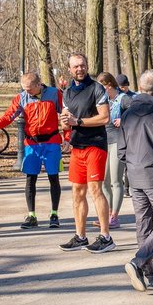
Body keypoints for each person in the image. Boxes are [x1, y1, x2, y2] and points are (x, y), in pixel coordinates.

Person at [119, 70, 153, 292]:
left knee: (144, 224)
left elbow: (121, 150)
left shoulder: (127, 114)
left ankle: (152, 275)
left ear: (140, 88)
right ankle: (138, 261)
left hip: (134, 174)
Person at [0, 73, 63, 230]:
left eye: (29, 89)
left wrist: (68, 136)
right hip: (32, 143)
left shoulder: (54, 94)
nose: (27, 92)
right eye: (24, 89)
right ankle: (31, 216)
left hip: (51, 142)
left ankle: (54, 214)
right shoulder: (22, 98)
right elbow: (9, 116)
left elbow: (66, 114)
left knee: (54, 178)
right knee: (30, 179)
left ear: (39, 84)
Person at [59, 53, 114, 253]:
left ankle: (106, 237)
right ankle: (80, 237)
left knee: (95, 190)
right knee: (77, 191)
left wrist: (78, 122)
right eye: (75, 66)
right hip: (77, 146)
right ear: (69, 69)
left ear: (87, 66)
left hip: (95, 145)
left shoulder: (96, 88)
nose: (79, 69)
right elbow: (67, 120)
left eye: (82, 65)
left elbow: (105, 118)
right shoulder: (67, 92)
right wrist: (65, 124)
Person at [97, 72, 132, 229]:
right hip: (104, 142)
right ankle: (107, 214)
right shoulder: (101, 101)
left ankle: (114, 217)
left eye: (102, 87)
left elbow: (137, 113)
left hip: (118, 142)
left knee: (116, 180)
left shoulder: (123, 99)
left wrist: (124, 120)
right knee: (104, 181)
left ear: (109, 85)